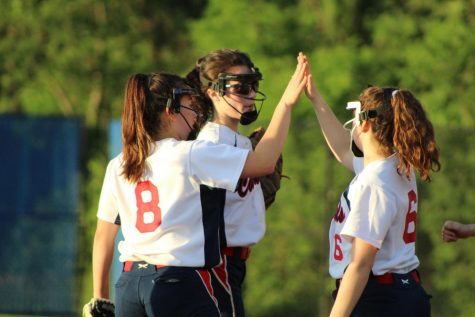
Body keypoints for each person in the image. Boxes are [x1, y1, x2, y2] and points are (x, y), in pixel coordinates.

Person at [87, 57, 307, 317]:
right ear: (171, 111)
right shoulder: (190, 153)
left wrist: (100, 298)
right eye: (190, 107)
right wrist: (288, 103)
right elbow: (264, 163)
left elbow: (103, 236)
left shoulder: (120, 163)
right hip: (176, 282)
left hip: (128, 284)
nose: (195, 116)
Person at [304, 62, 441, 317]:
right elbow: (344, 150)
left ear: (366, 124)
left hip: (379, 298)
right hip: (402, 292)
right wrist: (316, 99)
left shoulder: (375, 182)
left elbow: (360, 264)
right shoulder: (396, 166)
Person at [186, 48, 273, 317]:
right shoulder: (210, 142)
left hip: (233, 262)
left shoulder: (242, 142)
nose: (249, 94)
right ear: (212, 92)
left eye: (252, 86)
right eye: (239, 87)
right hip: (215, 261)